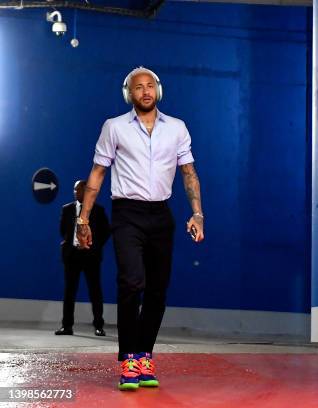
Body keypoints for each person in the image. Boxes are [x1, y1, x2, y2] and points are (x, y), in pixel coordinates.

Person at [76, 66, 205, 390]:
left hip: (161, 215)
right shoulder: (114, 127)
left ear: (157, 90)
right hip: (127, 213)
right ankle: (128, 359)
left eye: (150, 86)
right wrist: (83, 219)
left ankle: (145, 354)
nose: (145, 91)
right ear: (128, 94)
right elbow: (97, 174)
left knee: (158, 290)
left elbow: (188, 173)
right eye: (138, 88)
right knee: (132, 282)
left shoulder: (176, 128)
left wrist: (198, 213)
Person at [56, 180, 110, 337]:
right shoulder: (66, 209)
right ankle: (67, 326)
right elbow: (63, 231)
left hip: (91, 257)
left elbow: (106, 231)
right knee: (69, 292)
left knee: (95, 292)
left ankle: (99, 326)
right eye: (74, 189)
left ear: (86, 191)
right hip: (72, 256)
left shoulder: (98, 211)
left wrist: (94, 246)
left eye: (78, 189)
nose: (75, 192)